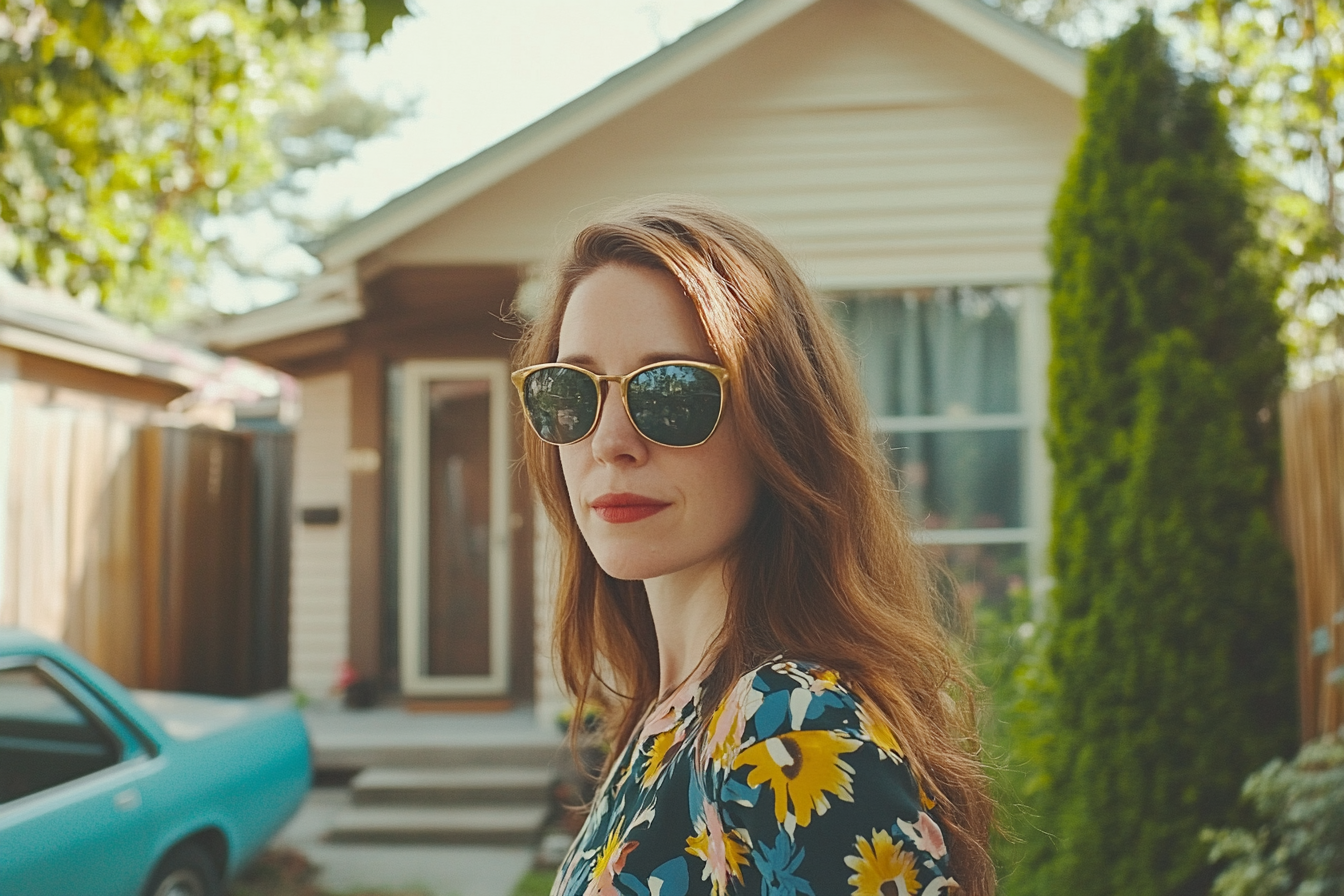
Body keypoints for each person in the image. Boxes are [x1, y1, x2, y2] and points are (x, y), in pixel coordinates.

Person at [512, 197, 994, 896]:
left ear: (779, 424)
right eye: (572, 392)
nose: (610, 442)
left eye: (670, 392)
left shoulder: (792, 727)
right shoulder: (672, 709)